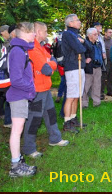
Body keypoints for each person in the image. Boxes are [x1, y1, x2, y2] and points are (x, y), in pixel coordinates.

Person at [22, 22, 69, 159]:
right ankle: (29, 148)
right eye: (45, 31)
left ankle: (55, 138)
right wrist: (52, 63)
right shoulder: (33, 49)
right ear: (38, 32)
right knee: (34, 119)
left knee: (51, 114)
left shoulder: (41, 48)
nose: (47, 33)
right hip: (37, 90)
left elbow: (51, 62)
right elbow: (48, 69)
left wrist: (50, 63)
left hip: (46, 88)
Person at [6, 22, 37, 177]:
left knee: (18, 130)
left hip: (20, 95)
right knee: (17, 131)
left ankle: (17, 161)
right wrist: (31, 88)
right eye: (33, 32)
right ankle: (15, 166)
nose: (35, 35)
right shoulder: (18, 51)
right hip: (18, 95)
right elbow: (16, 79)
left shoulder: (21, 49)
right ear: (24, 33)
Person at [61, 14, 86, 133]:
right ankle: (66, 122)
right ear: (70, 23)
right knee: (71, 96)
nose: (80, 22)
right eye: (77, 20)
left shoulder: (76, 34)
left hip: (79, 67)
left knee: (77, 95)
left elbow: (88, 47)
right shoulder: (67, 34)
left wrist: (82, 42)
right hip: (72, 68)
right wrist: (81, 43)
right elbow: (80, 49)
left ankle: (73, 118)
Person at [82, 28, 103, 108]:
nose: (97, 36)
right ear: (89, 35)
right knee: (86, 86)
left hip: (98, 67)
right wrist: (85, 60)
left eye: (97, 34)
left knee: (97, 85)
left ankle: (97, 103)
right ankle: (84, 103)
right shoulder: (85, 43)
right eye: (95, 34)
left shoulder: (98, 44)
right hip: (89, 68)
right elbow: (80, 54)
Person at [102, 28, 112, 97]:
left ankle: (110, 91)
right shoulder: (102, 40)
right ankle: (101, 92)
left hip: (111, 61)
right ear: (105, 33)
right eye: (109, 32)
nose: (111, 33)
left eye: (111, 32)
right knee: (103, 77)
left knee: (111, 77)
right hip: (105, 61)